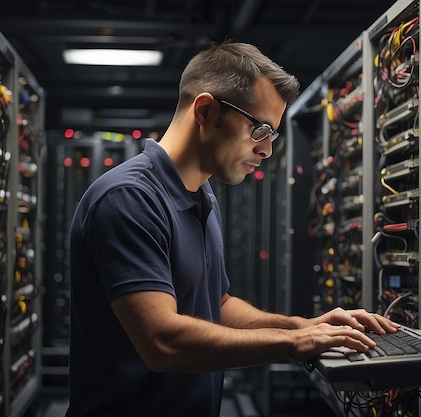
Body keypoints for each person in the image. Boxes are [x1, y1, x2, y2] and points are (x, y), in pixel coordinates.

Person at [65, 40, 400, 417]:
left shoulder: (202, 196)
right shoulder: (128, 198)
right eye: (260, 130)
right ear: (206, 110)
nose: (267, 150)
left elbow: (217, 306)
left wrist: (300, 326)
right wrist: (294, 343)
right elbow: (163, 343)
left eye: (272, 136)